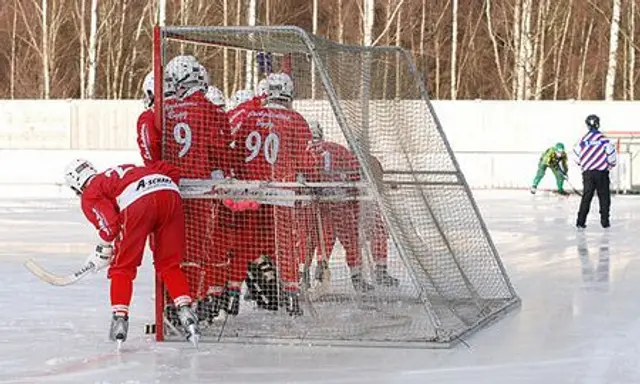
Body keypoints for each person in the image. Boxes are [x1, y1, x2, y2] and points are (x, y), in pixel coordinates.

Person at [62, 159, 200, 346]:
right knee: (169, 264)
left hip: (138, 201)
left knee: (122, 267)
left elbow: (110, 226)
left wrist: (102, 249)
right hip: (168, 192)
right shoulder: (127, 168)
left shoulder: (90, 192)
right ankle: (185, 311)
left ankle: (120, 320)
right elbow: (169, 169)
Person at [163, 55, 241, 323]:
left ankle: (171, 303)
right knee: (197, 252)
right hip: (201, 189)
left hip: (171, 188)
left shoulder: (168, 109)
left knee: (173, 250)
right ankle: (191, 305)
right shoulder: (208, 109)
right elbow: (221, 148)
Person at [233, 72, 312, 316]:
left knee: (249, 243)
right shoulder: (295, 119)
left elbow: (236, 153)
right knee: (285, 245)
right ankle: (290, 294)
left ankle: (240, 292)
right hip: (282, 192)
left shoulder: (249, 116)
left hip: (253, 192)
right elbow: (306, 160)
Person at [574, 114, 617, 229]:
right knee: (604, 197)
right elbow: (611, 155)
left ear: (587, 125)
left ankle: (580, 221)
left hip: (588, 173)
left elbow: (576, 156)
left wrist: (583, 164)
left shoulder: (582, 140)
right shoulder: (604, 140)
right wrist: (610, 164)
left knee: (586, 197)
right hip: (601, 173)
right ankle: (605, 221)